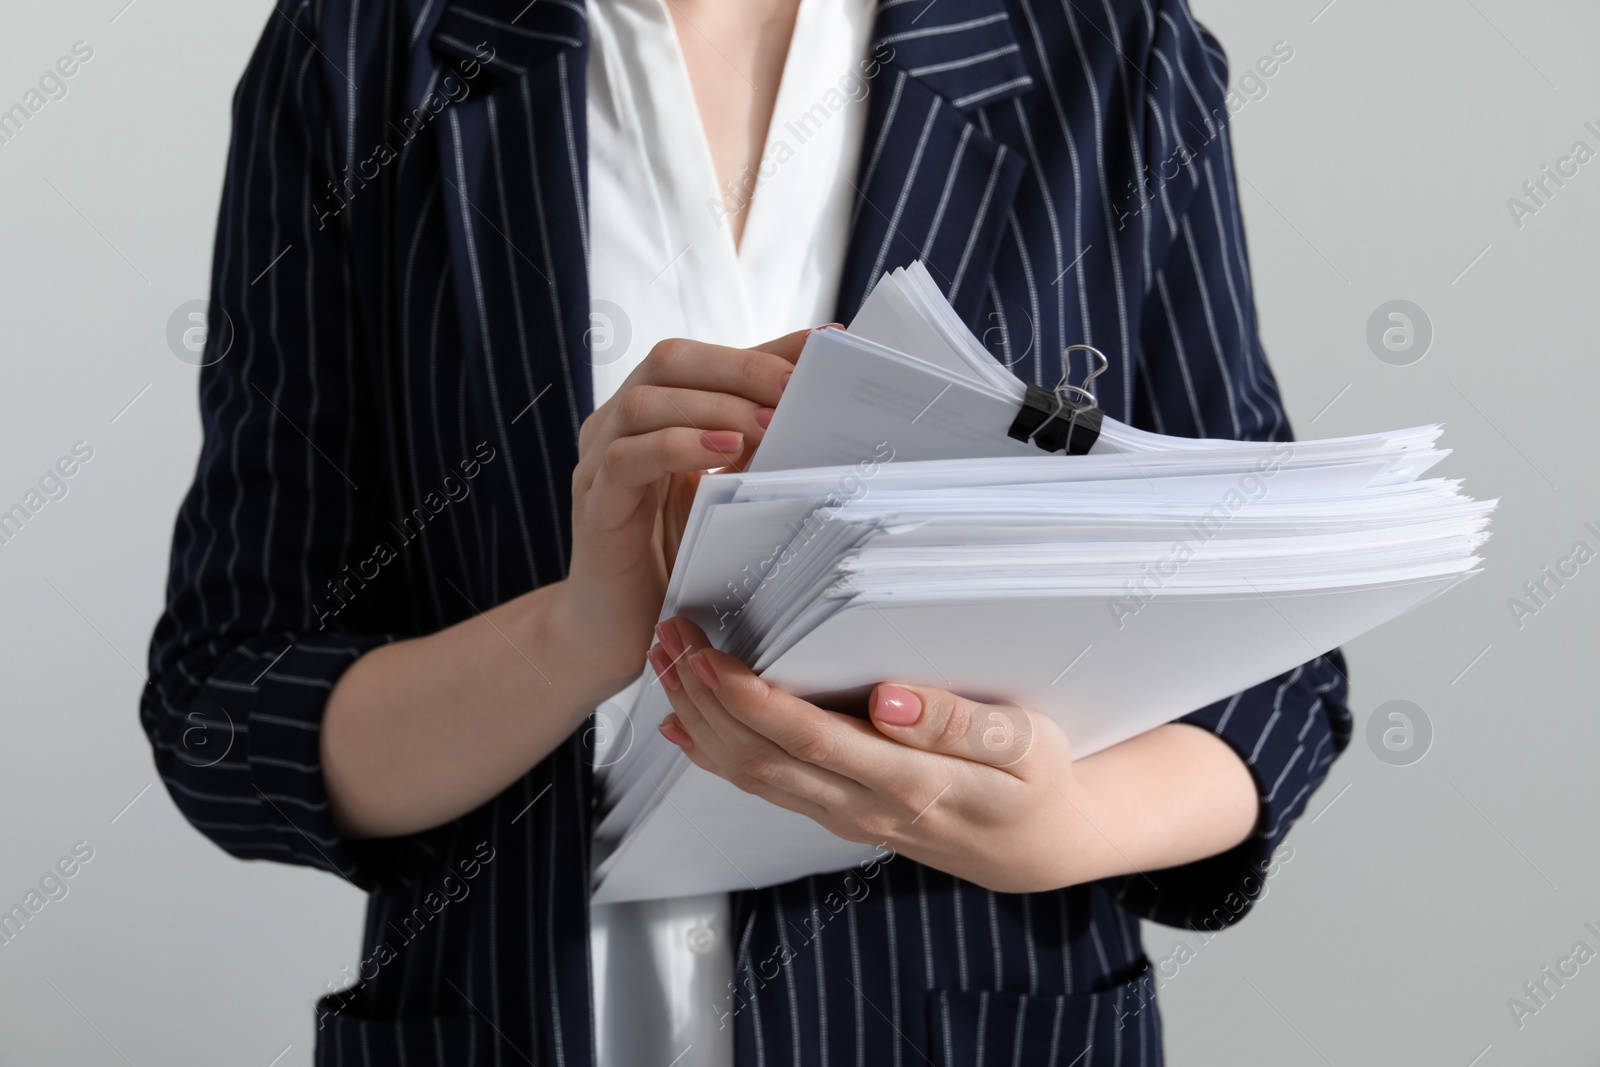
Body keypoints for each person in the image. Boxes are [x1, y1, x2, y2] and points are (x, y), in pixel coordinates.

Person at [141, 0, 1351, 1062]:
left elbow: (1276, 670)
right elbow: (225, 702)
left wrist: (1059, 824)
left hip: (981, 1008)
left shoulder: (1103, 44)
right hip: (520, 1009)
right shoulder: (364, 49)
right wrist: (573, 635)